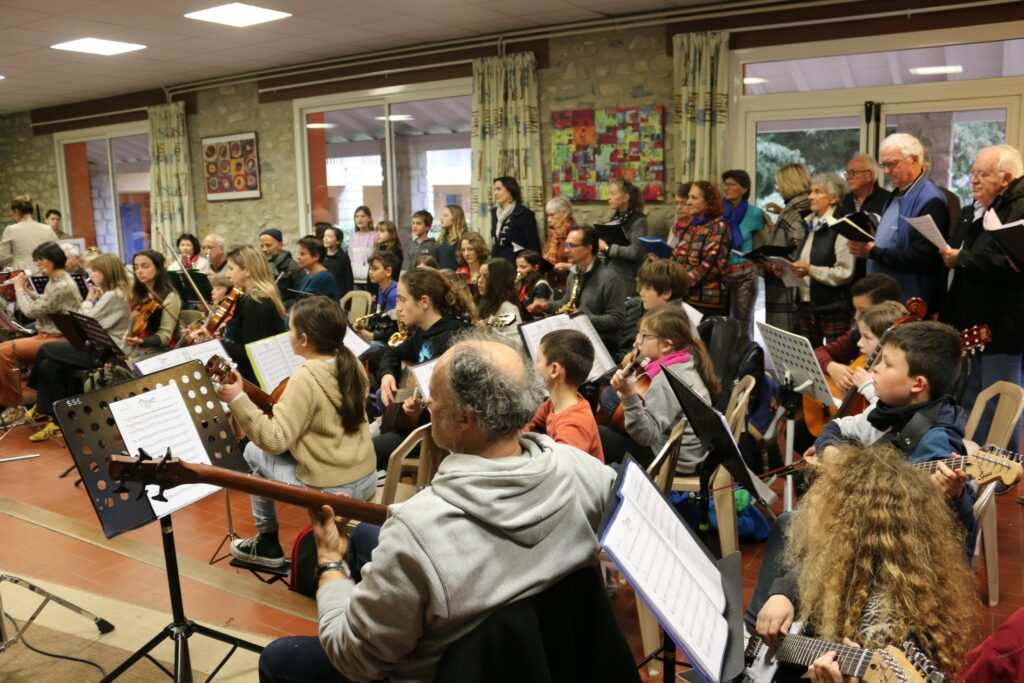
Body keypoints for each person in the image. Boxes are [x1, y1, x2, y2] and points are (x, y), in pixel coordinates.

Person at [256, 334, 618, 683]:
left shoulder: (418, 529)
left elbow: (355, 659)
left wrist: (330, 565)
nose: (428, 402)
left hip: (441, 671)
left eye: (435, 395)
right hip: (542, 654)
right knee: (368, 534)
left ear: (465, 419)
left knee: (278, 658)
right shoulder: (586, 472)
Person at [754, 443, 978, 682]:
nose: (809, 501)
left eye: (823, 495)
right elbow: (818, 571)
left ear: (849, 525)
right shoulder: (861, 562)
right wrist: (783, 594)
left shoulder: (881, 626)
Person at [216, 296, 377, 569]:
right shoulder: (351, 363)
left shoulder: (305, 377)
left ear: (303, 339)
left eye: (290, 330)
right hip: (365, 477)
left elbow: (274, 441)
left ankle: (267, 542)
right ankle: (265, 541)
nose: (287, 335)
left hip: (332, 489)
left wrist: (237, 400)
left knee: (253, 451)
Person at [939, 144, 1024, 453]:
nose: (973, 180)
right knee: (974, 395)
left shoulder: (1017, 208)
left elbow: (1010, 266)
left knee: (1002, 400)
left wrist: (962, 258)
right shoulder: (983, 208)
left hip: (1004, 323)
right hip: (976, 321)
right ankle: (975, 463)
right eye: (972, 172)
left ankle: (1005, 468)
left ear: (1006, 178)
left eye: (982, 173)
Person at [373, 268, 474, 468]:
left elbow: (459, 402)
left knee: (362, 454)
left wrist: (422, 409)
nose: (397, 307)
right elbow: (392, 353)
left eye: (402, 300)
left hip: (436, 437)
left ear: (424, 302)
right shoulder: (423, 334)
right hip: (417, 426)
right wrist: (386, 375)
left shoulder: (456, 339)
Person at [27, 253, 132, 441]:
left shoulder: (113, 295)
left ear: (106, 273)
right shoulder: (111, 293)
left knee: (45, 350)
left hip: (105, 351)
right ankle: (55, 418)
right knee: (48, 365)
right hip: (95, 345)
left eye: (96, 270)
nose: (92, 274)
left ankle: (35, 400)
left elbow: (85, 320)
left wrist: (89, 299)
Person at [599, 306, 719, 471]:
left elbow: (646, 436)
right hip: (683, 452)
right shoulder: (683, 361)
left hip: (670, 461)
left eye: (644, 336)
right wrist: (632, 371)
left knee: (595, 433)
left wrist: (628, 394)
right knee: (611, 398)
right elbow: (645, 388)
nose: (636, 342)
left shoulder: (666, 379)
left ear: (666, 346)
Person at [849, 133, 948, 307]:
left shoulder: (931, 199)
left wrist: (873, 252)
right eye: (884, 165)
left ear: (915, 160)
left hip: (910, 301)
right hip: (886, 295)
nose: (886, 171)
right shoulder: (898, 192)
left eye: (892, 164)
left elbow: (924, 256)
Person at [0, 241, 80, 414]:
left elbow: (31, 312)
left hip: (58, 339)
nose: (37, 264)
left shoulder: (62, 285)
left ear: (52, 260)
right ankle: (24, 397)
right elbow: (47, 302)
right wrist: (29, 292)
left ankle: (16, 404)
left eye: (40, 260)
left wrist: (19, 288)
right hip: (45, 335)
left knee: (3, 352)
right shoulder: (57, 280)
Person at [527, 224, 627, 354]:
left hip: (601, 343)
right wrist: (546, 306)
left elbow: (617, 320)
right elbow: (566, 304)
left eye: (571, 246)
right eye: (566, 245)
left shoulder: (610, 278)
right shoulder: (574, 273)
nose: (566, 250)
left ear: (588, 248)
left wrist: (582, 317)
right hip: (577, 337)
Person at [790, 173, 855, 346]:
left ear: (833, 198)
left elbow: (844, 272)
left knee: (836, 359)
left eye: (817, 192)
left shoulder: (841, 226)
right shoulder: (809, 223)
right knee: (809, 359)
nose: (810, 197)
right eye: (810, 192)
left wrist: (809, 269)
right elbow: (805, 260)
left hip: (832, 306)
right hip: (805, 303)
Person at [212, 245, 287, 385]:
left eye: (231, 268)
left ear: (246, 270)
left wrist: (216, 343)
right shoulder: (250, 297)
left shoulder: (255, 303)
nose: (227, 275)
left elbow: (251, 353)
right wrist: (221, 333)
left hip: (255, 381)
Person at [525, 329, 604, 462]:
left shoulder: (573, 427)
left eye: (538, 361)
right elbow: (532, 423)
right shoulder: (555, 402)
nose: (534, 367)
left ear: (554, 370)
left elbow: (564, 473)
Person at [816, 273, 902, 392]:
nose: (856, 317)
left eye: (863, 311)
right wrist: (832, 367)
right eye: (855, 309)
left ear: (884, 311)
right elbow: (819, 352)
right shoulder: (857, 335)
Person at [760, 163, 811, 332]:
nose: (778, 188)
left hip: (787, 285)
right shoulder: (800, 206)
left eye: (779, 183)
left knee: (788, 342)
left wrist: (776, 263)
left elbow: (799, 247)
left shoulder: (795, 210)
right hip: (789, 282)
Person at [672, 180, 731, 316]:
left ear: (708, 202)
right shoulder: (691, 226)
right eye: (689, 197)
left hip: (707, 303)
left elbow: (710, 265)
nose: (688, 202)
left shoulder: (718, 227)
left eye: (694, 198)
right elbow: (676, 255)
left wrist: (680, 284)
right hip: (684, 298)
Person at [721, 170, 765, 338]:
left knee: (743, 324)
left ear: (744, 189)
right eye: (725, 184)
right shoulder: (718, 211)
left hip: (745, 272)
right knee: (722, 322)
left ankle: (745, 361)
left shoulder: (755, 213)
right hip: (722, 272)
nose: (727, 188)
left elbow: (763, 242)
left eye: (732, 184)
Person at [123, 250, 181, 363]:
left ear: (158, 269)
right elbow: (135, 326)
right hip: (139, 350)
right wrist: (129, 333)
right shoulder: (138, 294)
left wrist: (141, 342)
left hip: (161, 352)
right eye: (136, 267)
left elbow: (165, 336)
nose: (139, 271)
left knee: (121, 371)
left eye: (145, 266)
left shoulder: (170, 297)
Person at [597, 177, 650, 284]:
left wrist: (607, 248)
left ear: (625, 197)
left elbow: (635, 252)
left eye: (613, 193)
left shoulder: (639, 221)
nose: (609, 197)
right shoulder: (615, 218)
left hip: (626, 277)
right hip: (611, 273)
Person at [1, 195, 58, 271]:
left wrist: (16, 256)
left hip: (22, 273)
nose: (12, 216)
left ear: (17, 211)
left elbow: (2, 257)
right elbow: (57, 253)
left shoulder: (11, 229)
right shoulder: (48, 229)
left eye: (12, 213)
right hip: (44, 271)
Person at [491, 176, 540, 263]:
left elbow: (533, 246)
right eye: (494, 189)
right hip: (497, 263)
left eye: (498, 189)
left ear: (510, 190)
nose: (495, 193)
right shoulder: (494, 213)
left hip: (517, 264)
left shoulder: (524, 214)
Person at [475, 258, 522, 347]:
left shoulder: (508, 308)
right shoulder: (484, 301)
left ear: (499, 281)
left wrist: (492, 331)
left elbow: (517, 344)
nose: (479, 281)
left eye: (486, 277)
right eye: (479, 275)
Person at [259, 228, 305, 305]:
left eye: (268, 245)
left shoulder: (294, 268)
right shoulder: (261, 265)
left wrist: (279, 306)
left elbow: (301, 298)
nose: (264, 249)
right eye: (262, 246)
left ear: (280, 245)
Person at [836, 153, 890, 218]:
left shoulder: (888, 200)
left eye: (852, 172)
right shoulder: (843, 200)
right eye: (847, 173)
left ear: (869, 175)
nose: (847, 177)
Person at [542, 196, 575, 290]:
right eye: (547, 215)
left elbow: (585, 264)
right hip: (551, 285)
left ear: (565, 213)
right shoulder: (553, 234)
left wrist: (568, 266)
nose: (548, 219)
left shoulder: (575, 234)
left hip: (568, 286)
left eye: (552, 215)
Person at [513, 249, 554, 318]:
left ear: (535, 268)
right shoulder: (524, 282)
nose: (518, 270)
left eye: (523, 267)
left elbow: (537, 313)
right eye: (517, 266)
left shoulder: (541, 286)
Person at [348, 206, 377, 290]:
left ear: (370, 218)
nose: (359, 219)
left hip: (371, 278)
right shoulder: (353, 236)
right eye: (357, 217)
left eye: (363, 216)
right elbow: (350, 257)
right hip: (355, 279)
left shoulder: (375, 235)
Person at [321, 226, 354, 298]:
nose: (325, 239)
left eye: (329, 236)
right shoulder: (321, 256)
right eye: (324, 236)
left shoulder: (343, 257)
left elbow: (348, 279)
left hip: (339, 295)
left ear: (338, 241)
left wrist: (348, 300)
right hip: (323, 294)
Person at [456, 231, 489, 296]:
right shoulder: (459, 273)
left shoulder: (489, 271)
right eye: (463, 250)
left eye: (470, 249)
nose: (466, 254)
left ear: (479, 249)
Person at [436, 205, 467, 270]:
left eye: (445, 216)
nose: (441, 218)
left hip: (457, 277)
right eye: (442, 215)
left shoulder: (463, 238)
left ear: (455, 218)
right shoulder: (442, 238)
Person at [666, 182, 692, 249]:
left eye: (683, 203)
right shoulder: (676, 227)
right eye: (677, 203)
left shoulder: (698, 228)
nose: (679, 207)